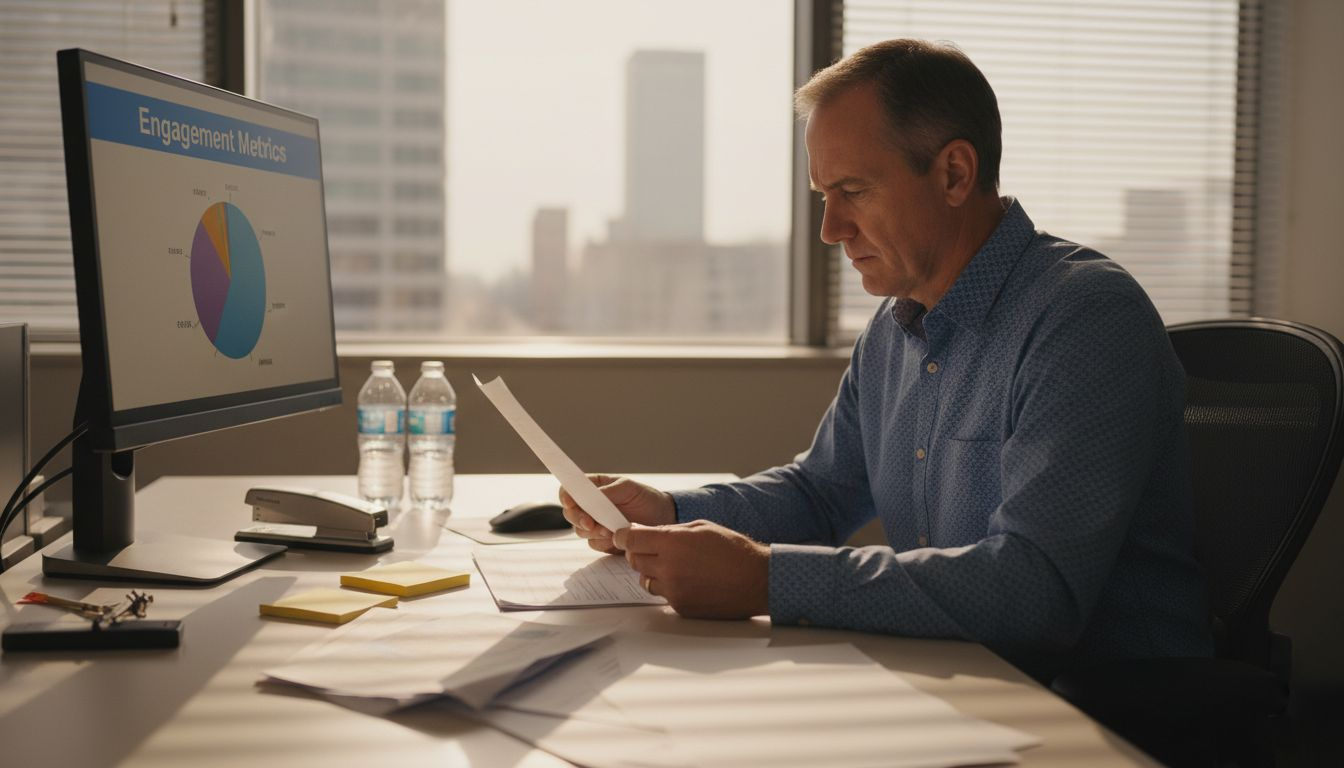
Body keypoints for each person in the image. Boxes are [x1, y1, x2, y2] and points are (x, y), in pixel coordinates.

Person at [561, 39, 1212, 680]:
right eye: (824, 196)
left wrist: (767, 580)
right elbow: (820, 495)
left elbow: (1035, 590)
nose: (830, 229)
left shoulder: (1083, 318)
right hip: (955, 676)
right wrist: (669, 512)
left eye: (853, 190)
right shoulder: (898, 323)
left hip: (1102, 706)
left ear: (955, 173)